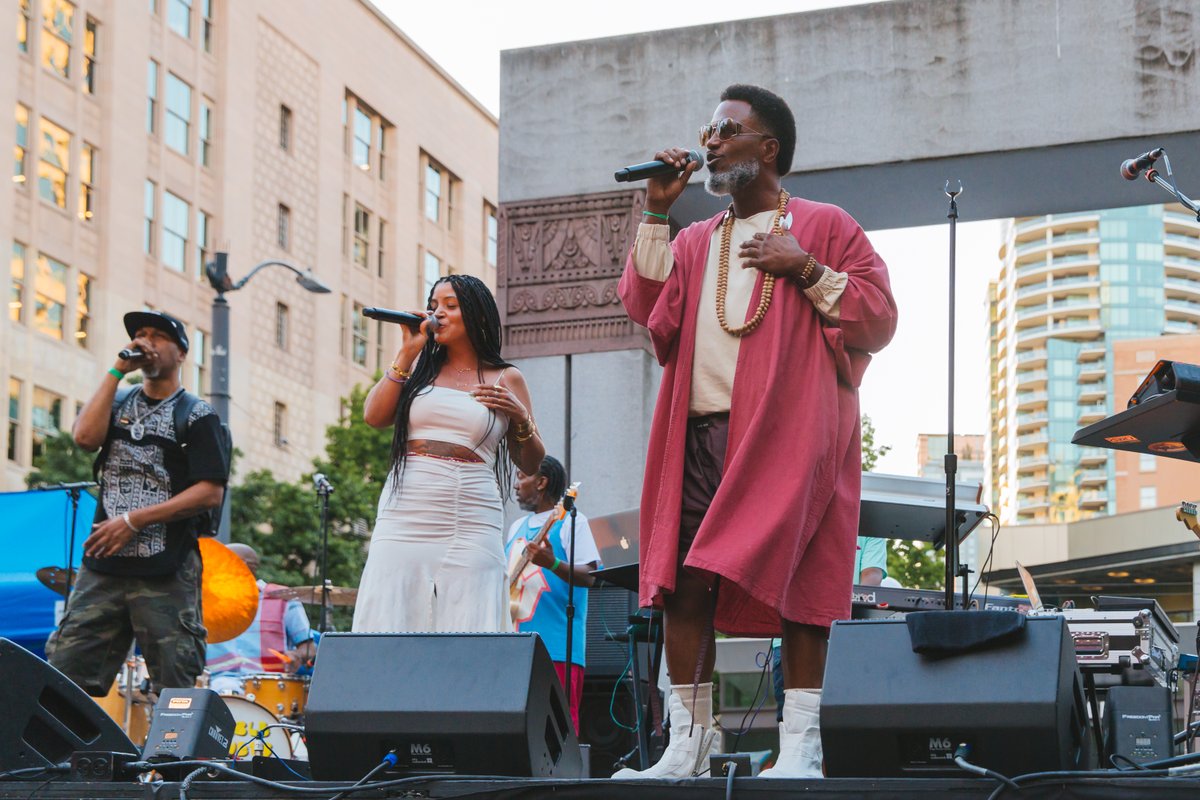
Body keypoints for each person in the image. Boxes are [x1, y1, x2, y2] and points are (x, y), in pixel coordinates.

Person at [614, 84, 898, 778]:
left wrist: (802, 266)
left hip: (788, 435)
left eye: (726, 130)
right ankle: (689, 742)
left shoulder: (825, 223)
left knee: (805, 581)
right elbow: (646, 308)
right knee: (683, 586)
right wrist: (655, 208)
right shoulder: (691, 240)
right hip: (698, 435)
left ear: (766, 148)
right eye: (708, 129)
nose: (709, 140)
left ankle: (800, 745)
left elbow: (879, 318)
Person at [46, 311, 230, 696]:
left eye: (158, 336)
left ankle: (171, 758)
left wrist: (133, 520)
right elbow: (83, 437)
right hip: (103, 570)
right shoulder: (117, 403)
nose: (145, 342)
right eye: (140, 334)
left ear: (181, 353)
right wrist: (116, 369)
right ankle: (58, 756)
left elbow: (210, 491)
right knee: (62, 680)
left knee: (174, 688)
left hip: (166, 569)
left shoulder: (197, 415)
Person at [352, 275, 545, 633]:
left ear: (478, 317)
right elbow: (374, 416)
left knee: (471, 614)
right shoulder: (420, 371)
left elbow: (531, 463)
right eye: (434, 304)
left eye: (450, 306)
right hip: (408, 505)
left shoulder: (506, 378)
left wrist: (520, 417)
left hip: (472, 511)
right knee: (392, 604)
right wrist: (408, 352)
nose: (438, 313)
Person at [504, 455, 602, 733]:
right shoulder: (515, 528)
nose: (515, 484)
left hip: (557, 649)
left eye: (522, 476)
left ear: (542, 482)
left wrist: (553, 563)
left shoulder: (572, 522)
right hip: (515, 648)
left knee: (557, 729)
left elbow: (590, 577)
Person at [770, 536, 888, 726]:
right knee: (794, 722)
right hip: (792, 635)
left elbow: (871, 581)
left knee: (842, 724)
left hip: (844, 641)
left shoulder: (871, 528)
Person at [206, 544, 316, 697]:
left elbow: (309, 648)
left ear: (244, 566)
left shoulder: (283, 599)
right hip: (214, 687)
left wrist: (296, 656)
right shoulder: (206, 602)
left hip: (270, 689)